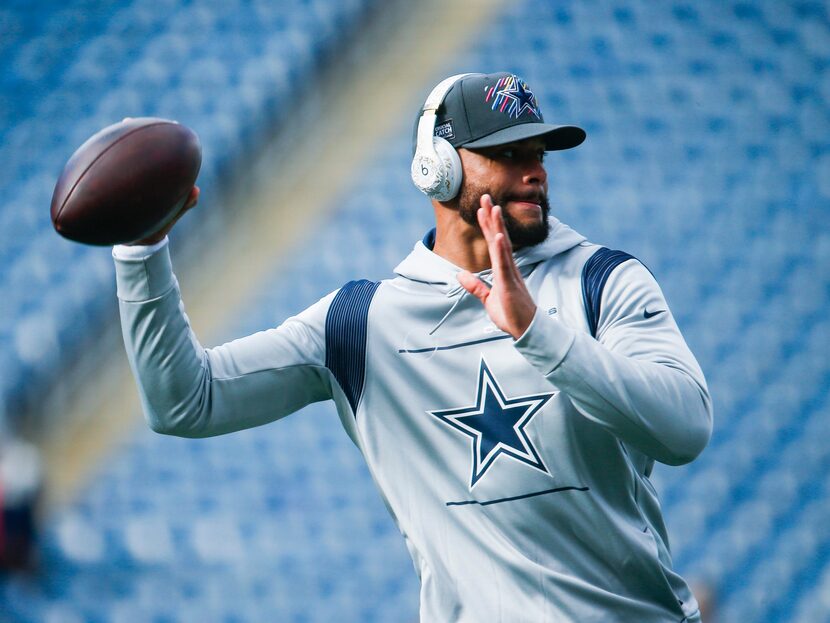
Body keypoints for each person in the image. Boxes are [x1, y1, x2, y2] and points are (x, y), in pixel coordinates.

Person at [113, 72, 712, 622]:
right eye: (508, 154)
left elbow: (684, 429)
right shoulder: (359, 323)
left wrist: (538, 333)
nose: (535, 171)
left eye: (538, 153)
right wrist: (141, 252)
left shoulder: (602, 279)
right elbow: (186, 403)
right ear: (437, 168)